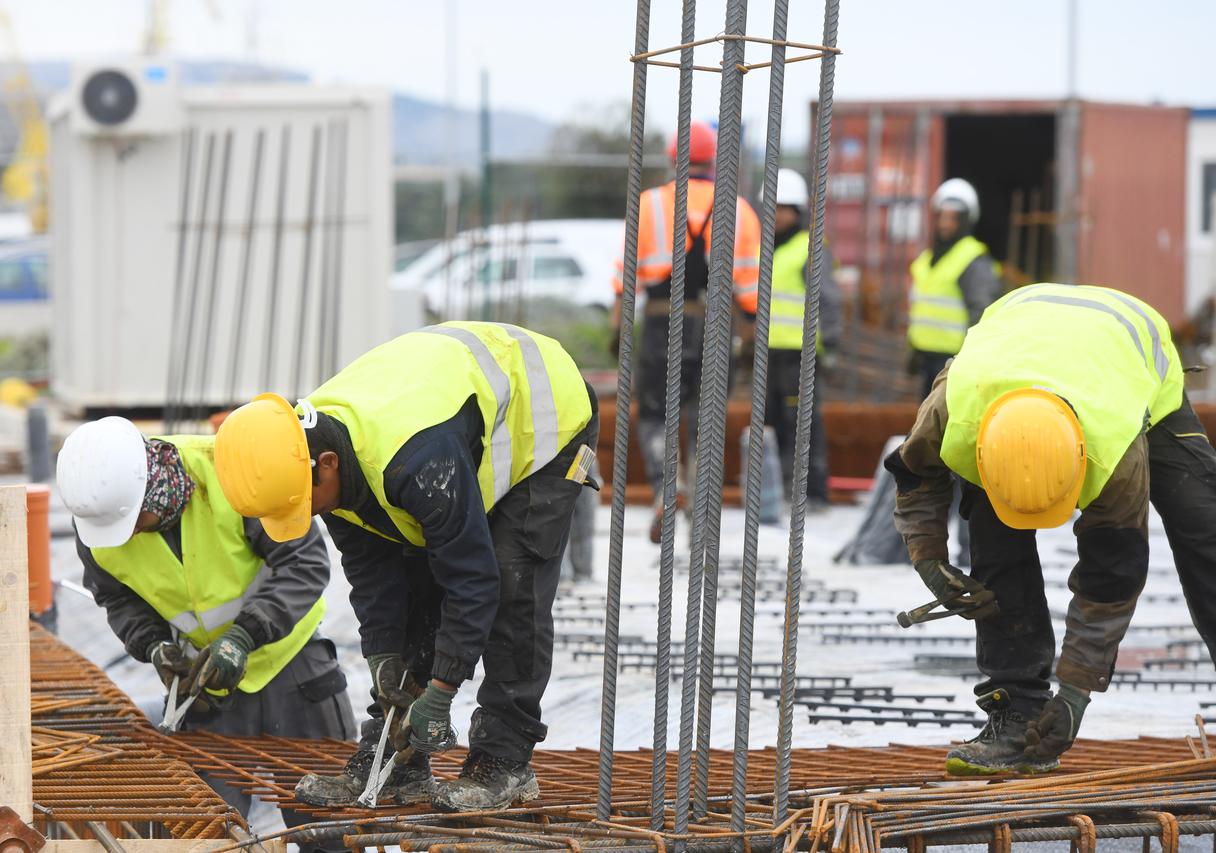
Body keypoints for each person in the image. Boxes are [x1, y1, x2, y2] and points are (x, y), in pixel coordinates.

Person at [213, 321, 599, 812]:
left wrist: (441, 689)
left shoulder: (414, 463)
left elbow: (472, 581)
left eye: (303, 501)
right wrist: (383, 660)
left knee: (510, 578)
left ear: (327, 464)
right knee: (417, 573)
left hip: (546, 416)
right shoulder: (316, 466)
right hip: (455, 424)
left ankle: (504, 762)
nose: (307, 512)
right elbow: (376, 581)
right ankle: (396, 752)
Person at [885, 283, 1216, 775]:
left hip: (1126, 354)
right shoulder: (955, 408)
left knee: (1204, 528)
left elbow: (1112, 574)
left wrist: (1075, 695)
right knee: (993, 538)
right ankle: (1017, 712)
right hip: (1019, 343)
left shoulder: (1114, 450)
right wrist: (929, 559)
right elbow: (915, 474)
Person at [56, 419, 355, 830]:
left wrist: (244, 635)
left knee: (327, 828)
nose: (131, 534)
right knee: (208, 830)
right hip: (209, 685)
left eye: (136, 520)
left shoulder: (232, 474)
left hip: (294, 668)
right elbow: (117, 597)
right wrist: (155, 645)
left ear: (153, 485)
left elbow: (305, 564)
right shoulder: (101, 520)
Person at [612, 120, 761, 542]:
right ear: (713, 161)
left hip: (662, 322)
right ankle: (699, 494)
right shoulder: (737, 209)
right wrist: (749, 333)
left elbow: (625, 280)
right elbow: (749, 285)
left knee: (656, 412)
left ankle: (666, 486)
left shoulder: (648, 205)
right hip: (714, 324)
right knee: (705, 413)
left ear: (673, 159)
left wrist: (618, 331)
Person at [755, 167, 841, 510]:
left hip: (799, 356)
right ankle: (772, 494)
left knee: (802, 424)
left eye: (782, 209)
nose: (775, 216)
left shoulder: (810, 249)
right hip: (767, 353)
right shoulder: (763, 249)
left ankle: (812, 493)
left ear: (797, 212)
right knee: (769, 424)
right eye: (770, 209)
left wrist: (831, 343)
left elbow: (829, 298)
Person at [906, 178, 1003, 398]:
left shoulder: (974, 261)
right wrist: (913, 348)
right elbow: (920, 310)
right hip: (928, 359)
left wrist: (973, 360)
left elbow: (981, 312)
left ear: (966, 220)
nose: (945, 223)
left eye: (954, 218)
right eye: (942, 215)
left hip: (956, 363)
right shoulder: (926, 260)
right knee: (929, 425)